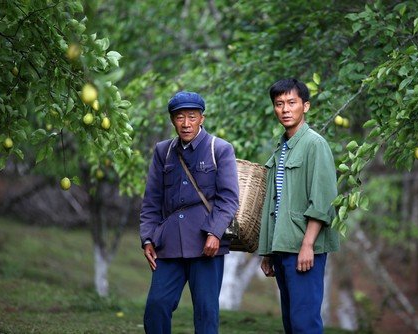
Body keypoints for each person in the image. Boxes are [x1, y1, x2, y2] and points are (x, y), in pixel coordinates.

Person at [140, 91, 239, 334]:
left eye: (192, 117)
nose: (186, 123)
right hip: (169, 243)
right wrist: (147, 238)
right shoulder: (163, 151)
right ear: (172, 120)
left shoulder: (220, 148)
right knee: (156, 305)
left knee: (206, 313)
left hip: (207, 244)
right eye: (180, 117)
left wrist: (215, 233)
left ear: (202, 118)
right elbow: (152, 200)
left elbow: (228, 198)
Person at [258, 78, 339, 333]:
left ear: (306, 106)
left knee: (305, 323)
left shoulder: (315, 144)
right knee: (291, 323)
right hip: (283, 247)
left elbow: (323, 201)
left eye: (291, 103)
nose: (285, 109)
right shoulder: (282, 148)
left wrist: (308, 245)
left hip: (304, 248)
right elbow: (277, 203)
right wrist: (269, 251)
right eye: (279, 104)